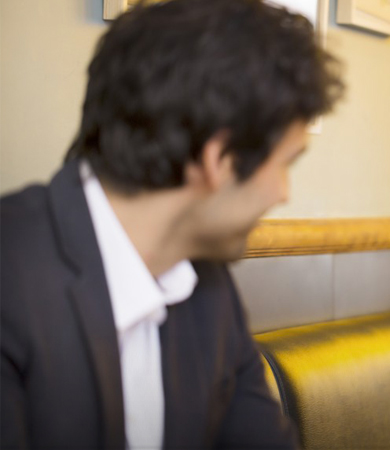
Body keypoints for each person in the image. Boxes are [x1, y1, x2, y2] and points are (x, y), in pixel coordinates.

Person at [1, 0, 343, 448]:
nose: (284, 193)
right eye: (285, 165)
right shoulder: (11, 274)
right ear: (218, 159)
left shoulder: (208, 284)